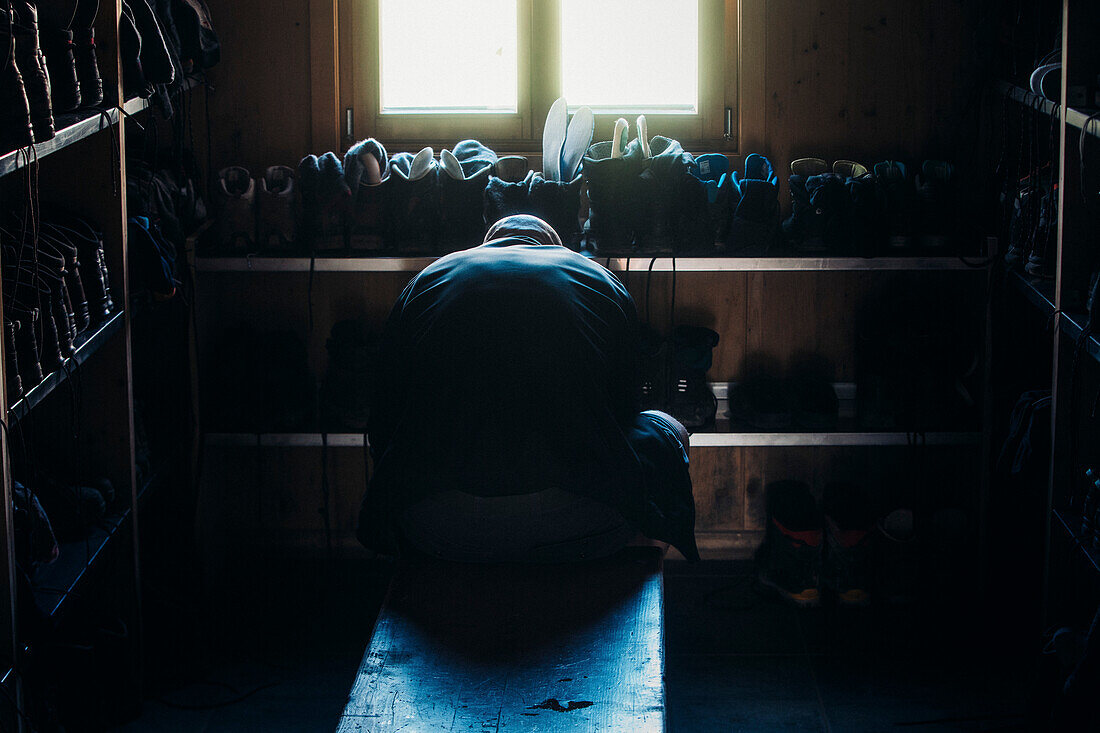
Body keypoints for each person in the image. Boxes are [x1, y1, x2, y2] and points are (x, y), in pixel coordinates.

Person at [357, 214, 698, 562]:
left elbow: (383, 418)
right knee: (668, 428)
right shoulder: (599, 278)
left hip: (437, 527)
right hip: (580, 523)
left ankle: (433, 584)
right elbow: (626, 413)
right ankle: (629, 583)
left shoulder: (427, 279)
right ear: (555, 247)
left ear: (485, 245)